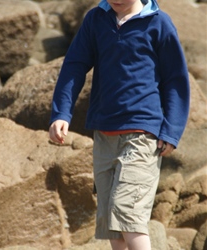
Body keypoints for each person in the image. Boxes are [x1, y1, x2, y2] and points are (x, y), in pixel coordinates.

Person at [49, 0, 190, 249]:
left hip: (142, 134)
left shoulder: (158, 23)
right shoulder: (96, 20)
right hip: (104, 135)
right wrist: (62, 113)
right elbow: (74, 66)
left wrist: (171, 129)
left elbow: (175, 79)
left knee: (128, 215)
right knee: (112, 226)